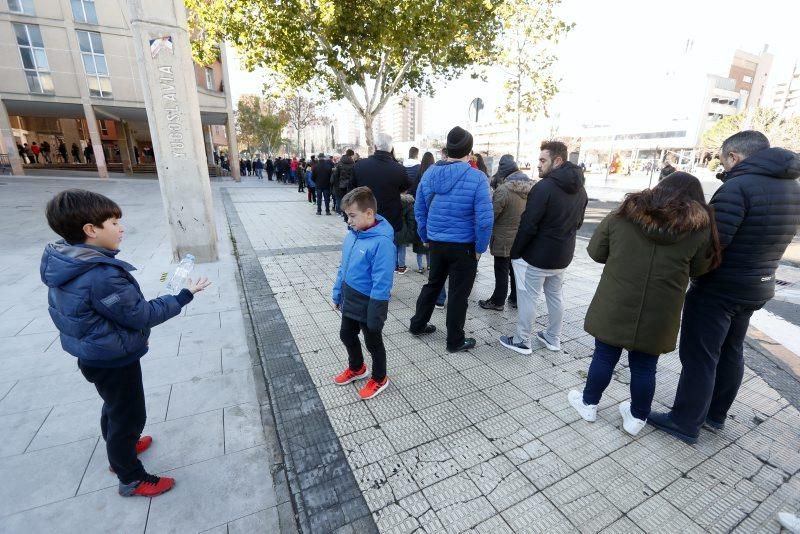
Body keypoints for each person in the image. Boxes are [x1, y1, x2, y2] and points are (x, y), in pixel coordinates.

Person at [40, 189, 211, 497]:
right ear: (91, 230)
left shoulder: (67, 259)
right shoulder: (100, 275)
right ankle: (130, 476)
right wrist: (183, 296)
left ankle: (122, 451)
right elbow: (140, 315)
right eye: (114, 222)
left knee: (115, 407)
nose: (121, 229)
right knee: (129, 415)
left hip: (93, 354)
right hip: (112, 358)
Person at [649, 131, 800, 444]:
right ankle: (715, 415)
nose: (723, 166)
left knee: (700, 355)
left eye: (722, 159)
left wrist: (692, 269)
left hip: (720, 287)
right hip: (758, 284)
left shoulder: (737, 187)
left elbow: (716, 242)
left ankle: (685, 421)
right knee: (731, 350)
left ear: (735, 156)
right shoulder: (791, 186)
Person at [568, 172, 720, 436]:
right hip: (661, 311)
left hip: (616, 300)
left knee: (604, 355)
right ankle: (637, 418)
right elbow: (699, 269)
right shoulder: (700, 228)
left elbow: (595, 251)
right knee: (645, 366)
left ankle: (588, 403)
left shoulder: (624, 214)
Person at [409, 126, 493, 353]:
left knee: (433, 284)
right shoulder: (477, 178)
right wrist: (480, 247)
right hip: (464, 247)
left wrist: (425, 235)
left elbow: (420, 209)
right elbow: (485, 219)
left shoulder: (429, 174)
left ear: (448, 148)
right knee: (458, 294)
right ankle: (455, 340)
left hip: (436, 242)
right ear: (470, 150)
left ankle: (417, 324)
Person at [500, 141, 588, 355]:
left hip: (538, 256)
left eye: (542, 160)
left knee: (528, 296)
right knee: (555, 296)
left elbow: (528, 225)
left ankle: (522, 340)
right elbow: (578, 223)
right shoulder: (580, 189)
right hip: (563, 255)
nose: (538, 164)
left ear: (557, 161)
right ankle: (553, 338)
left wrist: (516, 252)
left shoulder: (543, 187)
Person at [332, 187, 395, 400]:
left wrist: (377, 312)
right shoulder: (353, 236)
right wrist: (337, 292)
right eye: (347, 216)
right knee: (346, 334)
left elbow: (382, 282)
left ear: (369, 213)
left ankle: (379, 378)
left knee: (373, 342)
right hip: (350, 296)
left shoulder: (383, 243)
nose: (348, 221)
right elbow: (344, 267)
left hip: (369, 302)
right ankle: (357, 368)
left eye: (352, 216)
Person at [478, 156, 533, 311]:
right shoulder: (531, 188)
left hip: (503, 237)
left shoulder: (504, 190)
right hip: (520, 237)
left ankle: (497, 301)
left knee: (501, 270)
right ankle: (515, 299)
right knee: (515, 270)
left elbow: (492, 214)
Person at [350, 134, 410, 234]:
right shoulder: (399, 169)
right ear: (391, 148)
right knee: (390, 248)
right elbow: (405, 188)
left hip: (365, 219)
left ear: (375, 146)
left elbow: (351, 192)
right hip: (390, 221)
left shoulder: (360, 165)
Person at [394, 186, 417, 274]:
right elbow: (411, 218)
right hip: (403, 227)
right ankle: (401, 267)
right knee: (402, 248)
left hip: (393, 227)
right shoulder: (409, 202)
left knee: (394, 248)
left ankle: (395, 266)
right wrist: (411, 230)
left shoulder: (391, 200)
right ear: (406, 191)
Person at [332, 149, 355, 214]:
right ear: (351, 155)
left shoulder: (340, 163)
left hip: (340, 184)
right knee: (349, 199)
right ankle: (348, 212)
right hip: (350, 185)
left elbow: (336, 175)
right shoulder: (353, 163)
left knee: (340, 198)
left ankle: (340, 212)